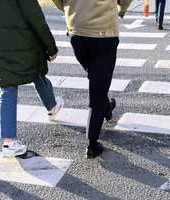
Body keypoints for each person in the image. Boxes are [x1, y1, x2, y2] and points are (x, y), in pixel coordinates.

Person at [0, 0, 64, 157]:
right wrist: (51, 46)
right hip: (25, 41)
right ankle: (51, 107)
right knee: (36, 71)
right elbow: (35, 16)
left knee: (8, 86)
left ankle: (9, 142)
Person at [52, 0, 132, 159]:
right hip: (104, 32)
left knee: (96, 79)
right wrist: (120, 10)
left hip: (77, 31)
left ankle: (106, 106)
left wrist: (70, 8)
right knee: (97, 91)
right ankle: (92, 144)